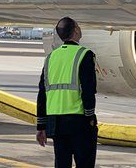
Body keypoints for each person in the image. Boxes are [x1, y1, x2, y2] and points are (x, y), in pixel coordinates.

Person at [36, 16, 97, 168]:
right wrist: (90, 117)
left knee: (62, 164)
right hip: (79, 120)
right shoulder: (84, 54)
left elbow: (42, 92)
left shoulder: (51, 57)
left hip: (56, 123)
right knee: (85, 163)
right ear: (76, 30)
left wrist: (41, 126)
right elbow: (88, 90)